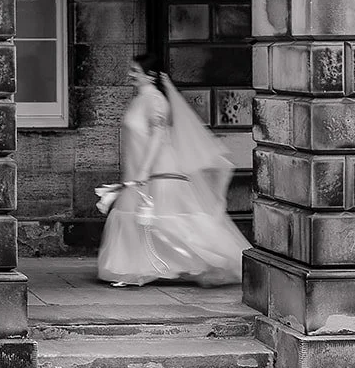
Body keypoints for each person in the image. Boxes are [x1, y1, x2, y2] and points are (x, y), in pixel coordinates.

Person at [96, 53, 250, 287]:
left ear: (151, 76)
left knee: (168, 223)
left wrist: (143, 172)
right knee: (144, 221)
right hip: (141, 172)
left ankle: (217, 261)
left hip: (158, 173)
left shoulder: (156, 101)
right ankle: (140, 266)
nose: (130, 75)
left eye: (135, 71)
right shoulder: (141, 99)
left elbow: (157, 138)